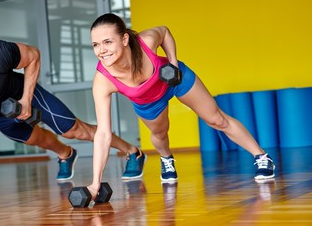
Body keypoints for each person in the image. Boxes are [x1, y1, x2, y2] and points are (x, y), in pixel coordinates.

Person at [0, 21, 146, 202]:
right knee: (36, 139)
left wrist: (26, 100)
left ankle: (131, 151)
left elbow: (33, 56)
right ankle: (66, 154)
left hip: (26, 94)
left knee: (73, 131)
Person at [87, 13, 275, 198]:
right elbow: (103, 133)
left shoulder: (147, 41)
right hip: (148, 99)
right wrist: (96, 182)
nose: (101, 50)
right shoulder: (103, 81)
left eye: (108, 42)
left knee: (216, 119)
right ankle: (167, 159)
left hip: (173, 79)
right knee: (160, 134)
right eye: (96, 44)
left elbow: (165, 32)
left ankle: (262, 158)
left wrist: (173, 64)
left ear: (125, 39)